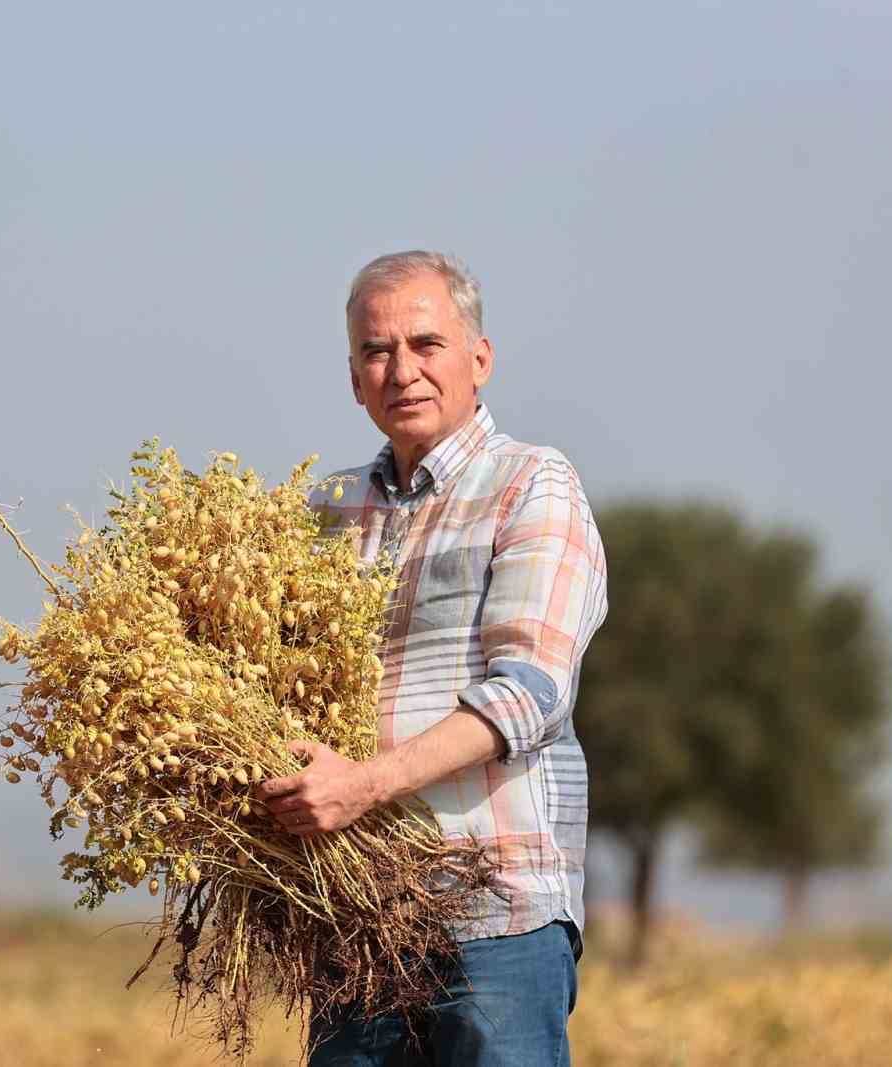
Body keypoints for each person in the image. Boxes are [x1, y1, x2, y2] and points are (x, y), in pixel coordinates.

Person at [256, 250, 610, 1067]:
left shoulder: (533, 483)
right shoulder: (322, 510)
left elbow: (529, 693)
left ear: (479, 359)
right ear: (353, 379)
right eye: (377, 352)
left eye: (426, 344)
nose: (402, 370)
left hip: (498, 915)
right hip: (356, 913)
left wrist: (360, 783)